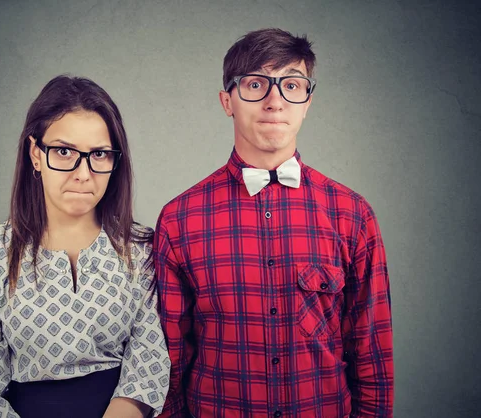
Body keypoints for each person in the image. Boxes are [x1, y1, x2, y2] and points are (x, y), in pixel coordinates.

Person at [154, 28, 393, 417]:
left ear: (307, 102)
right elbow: (168, 362)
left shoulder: (352, 214)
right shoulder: (179, 219)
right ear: (226, 101)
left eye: (292, 85)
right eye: (255, 84)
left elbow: (372, 354)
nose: (274, 101)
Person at [0, 75, 170, 418]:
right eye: (64, 152)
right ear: (36, 154)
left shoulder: (141, 249)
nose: (83, 173)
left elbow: (149, 360)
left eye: (99, 154)